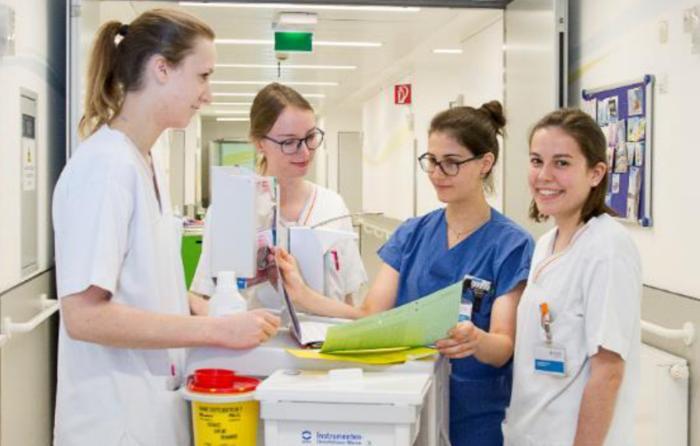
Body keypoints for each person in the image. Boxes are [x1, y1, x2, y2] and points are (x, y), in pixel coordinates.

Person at [52, 10, 280, 445]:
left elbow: (141, 283)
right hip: (113, 422)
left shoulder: (146, 160)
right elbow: (84, 316)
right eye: (202, 76)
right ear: (161, 69)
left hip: (149, 409)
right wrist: (216, 330)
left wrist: (202, 307)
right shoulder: (104, 168)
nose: (207, 94)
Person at [277, 102, 534, 446]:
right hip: (408, 398)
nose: (437, 173)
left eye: (451, 162)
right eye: (431, 161)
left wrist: (476, 340)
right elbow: (372, 314)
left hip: (474, 415)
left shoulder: (510, 245)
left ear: (485, 163)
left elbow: (502, 346)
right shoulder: (413, 234)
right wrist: (306, 297)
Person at [503, 108, 641, 446]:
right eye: (537, 161)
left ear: (596, 173)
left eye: (562, 163)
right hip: (529, 432)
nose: (544, 175)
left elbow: (608, 371)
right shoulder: (545, 244)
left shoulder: (607, 248)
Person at [190, 82, 367, 309]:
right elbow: (206, 296)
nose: (305, 152)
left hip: (327, 331)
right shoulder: (230, 210)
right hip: (255, 332)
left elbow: (349, 296)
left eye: (310, 137)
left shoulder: (332, 205)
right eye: (289, 142)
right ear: (259, 143)